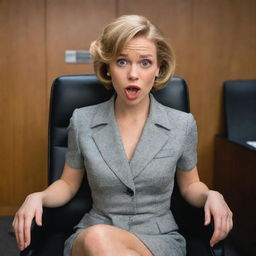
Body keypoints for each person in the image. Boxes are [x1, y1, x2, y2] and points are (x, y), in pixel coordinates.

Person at [13, 15, 233, 256]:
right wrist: (39, 196)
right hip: (94, 232)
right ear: (108, 67)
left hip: (157, 237)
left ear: (159, 68)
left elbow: (190, 185)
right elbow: (67, 183)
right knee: (98, 238)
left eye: (145, 63)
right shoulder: (83, 120)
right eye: (122, 62)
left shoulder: (182, 125)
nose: (133, 74)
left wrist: (212, 194)